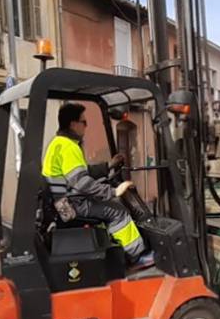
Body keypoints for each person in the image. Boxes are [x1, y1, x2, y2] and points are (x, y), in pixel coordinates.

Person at [42, 103, 155, 267]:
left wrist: (108, 165)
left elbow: (82, 171)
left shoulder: (57, 144)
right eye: (84, 122)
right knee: (118, 211)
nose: (86, 127)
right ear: (74, 124)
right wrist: (114, 191)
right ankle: (136, 256)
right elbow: (82, 183)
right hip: (72, 205)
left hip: (63, 201)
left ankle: (117, 251)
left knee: (109, 205)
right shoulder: (68, 146)